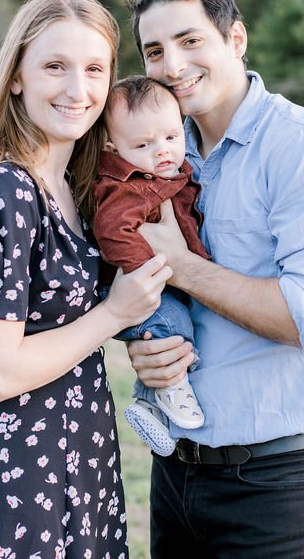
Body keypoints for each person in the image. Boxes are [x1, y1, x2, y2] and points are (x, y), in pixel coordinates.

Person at [125, 0, 304, 558]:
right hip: (178, 472)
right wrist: (145, 341)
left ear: (236, 39)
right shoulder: (160, 151)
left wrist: (184, 267)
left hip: (279, 481)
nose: (173, 65)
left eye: (191, 41)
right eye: (155, 51)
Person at [0, 0, 172, 559]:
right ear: (16, 76)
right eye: (54, 66)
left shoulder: (72, 189)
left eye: (94, 69)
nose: (77, 90)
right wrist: (114, 313)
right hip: (13, 485)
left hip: (79, 466)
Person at [92, 75, 211, 456]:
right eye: (144, 144)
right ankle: (172, 391)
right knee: (172, 329)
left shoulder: (170, 172)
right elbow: (112, 230)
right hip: (140, 287)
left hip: (164, 283)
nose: (162, 151)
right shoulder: (126, 186)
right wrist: (151, 274)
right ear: (114, 146)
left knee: (173, 324)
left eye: (172, 138)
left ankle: (150, 404)